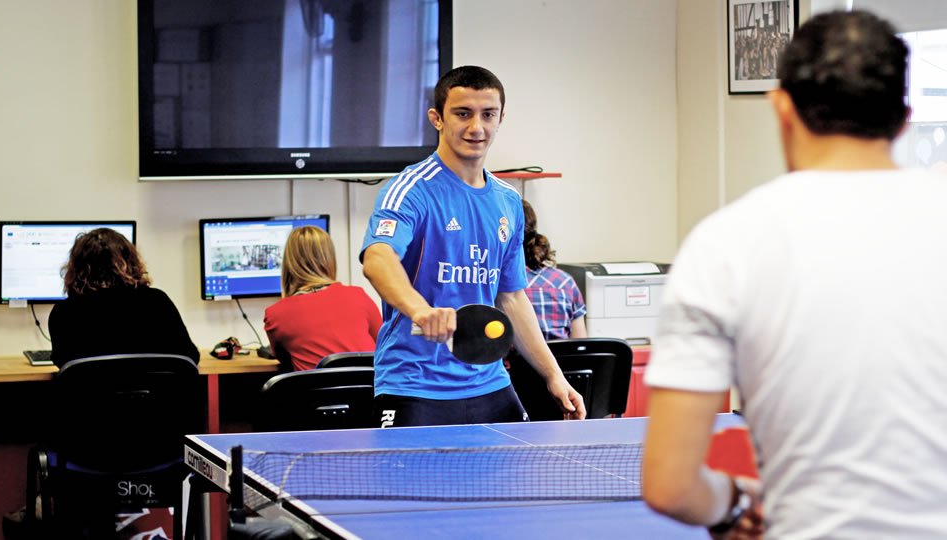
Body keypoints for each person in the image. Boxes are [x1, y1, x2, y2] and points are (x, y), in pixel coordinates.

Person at [641, 10, 947, 539]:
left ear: (781, 107)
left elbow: (670, 485)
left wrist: (733, 502)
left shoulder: (724, 244)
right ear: (903, 119)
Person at [360, 65, 585, 427]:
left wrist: (554, 375)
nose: (476, 127)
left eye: (488, 114)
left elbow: (512, 298)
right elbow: (378, 258)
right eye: (463, 113)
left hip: (489, 382)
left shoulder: (508, 202)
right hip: (414, 385)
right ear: (437, 118)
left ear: (500, 119)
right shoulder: (410, 190)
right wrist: (421, 311)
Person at [49, 228, 199, 368]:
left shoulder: (64, 312)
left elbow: (62, 362)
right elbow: (190, 356)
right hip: (153, 388)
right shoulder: (158, 301)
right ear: (131, 262)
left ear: (76, 268)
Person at [264, 226, 381, 371]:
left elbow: (285, 360)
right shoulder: (358, 295)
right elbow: (384, 345)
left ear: (289, 264)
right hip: (370, 385)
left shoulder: (275, 315)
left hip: (319, 386)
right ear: (329, 258)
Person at [521, 199, 586, 341]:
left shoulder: (501, 285)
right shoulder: (565, 282)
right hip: (561, 357)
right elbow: (580, 343)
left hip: (519, 357)